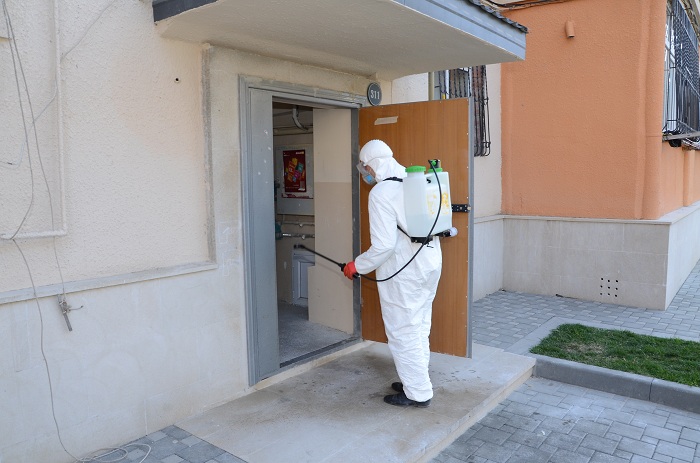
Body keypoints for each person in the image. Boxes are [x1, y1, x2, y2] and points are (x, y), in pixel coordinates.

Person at [343, 139, 442, 407]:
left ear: (372, 164)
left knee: (403, 331)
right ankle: (416, 379)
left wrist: (357, 265)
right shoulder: (415, 181)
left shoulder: (381, 192)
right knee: (419, 325)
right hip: (430, 263)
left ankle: (418, 393)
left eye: (365, 167)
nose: (365, 173)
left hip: (405, 270)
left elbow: (384, 246)